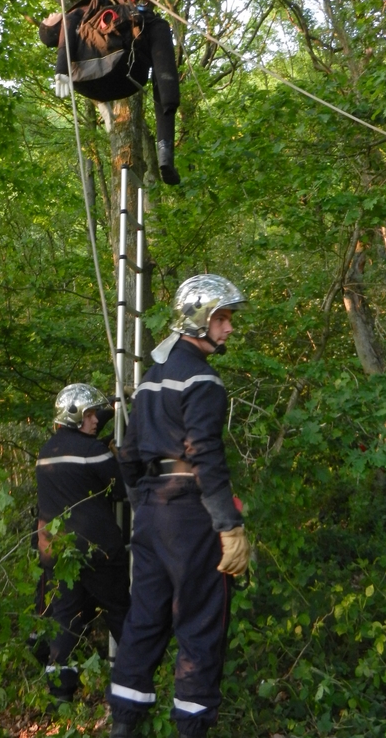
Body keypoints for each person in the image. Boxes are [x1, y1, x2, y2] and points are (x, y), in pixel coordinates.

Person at [106, 274, 251, 738]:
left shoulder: (151, 380)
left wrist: (143, 502)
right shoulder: (202, 379)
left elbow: (129, 454)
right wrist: (228, 525)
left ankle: (124, 726)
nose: (229, 328)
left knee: (144, 621)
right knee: (201, 624)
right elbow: (205, 454)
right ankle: (191, 728)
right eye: (222, 318)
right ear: (199, 319)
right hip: (190, 516)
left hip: (152, 513)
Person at [36, 383, 130, 704]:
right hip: (99, 552)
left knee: (65, 621)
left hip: (58, 552)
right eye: (89, 415)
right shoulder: (93, 452)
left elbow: (81, 442)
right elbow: (120, 490)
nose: (94, 420)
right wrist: (119, 455)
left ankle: (60, 696)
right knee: (121, 613)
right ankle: (136, 680)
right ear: (75, 417)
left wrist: (110, 410)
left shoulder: (47, 452)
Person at [39, 0, 181, 186]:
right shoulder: (72, 20)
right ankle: (165, 150)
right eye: (47, 20)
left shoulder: (78, 55)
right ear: (53, 29)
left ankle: (165, 152)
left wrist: (102, 105)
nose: (49, 14)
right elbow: (67, 29)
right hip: (117, 62)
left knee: (152, 47)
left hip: (105, 81)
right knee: (157, 27)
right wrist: (61, 68)